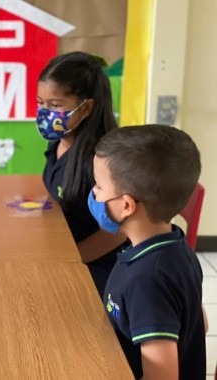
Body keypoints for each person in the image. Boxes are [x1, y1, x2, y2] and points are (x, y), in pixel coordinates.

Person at [90, 124, 204, 379]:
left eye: (98, 186)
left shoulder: (146, 281)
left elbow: (162, 376)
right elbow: (200, 322)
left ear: (127, 205)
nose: (93, 194)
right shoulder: (176, 246)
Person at [37, 51, 127, 297]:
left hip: (98, 266)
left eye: (55, 105)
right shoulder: (58, 142)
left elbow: (119, 230)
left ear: (86, 108)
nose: (45, 113)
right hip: (64, 249)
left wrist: (74, 258)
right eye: (40, 103)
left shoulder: (103, 159)